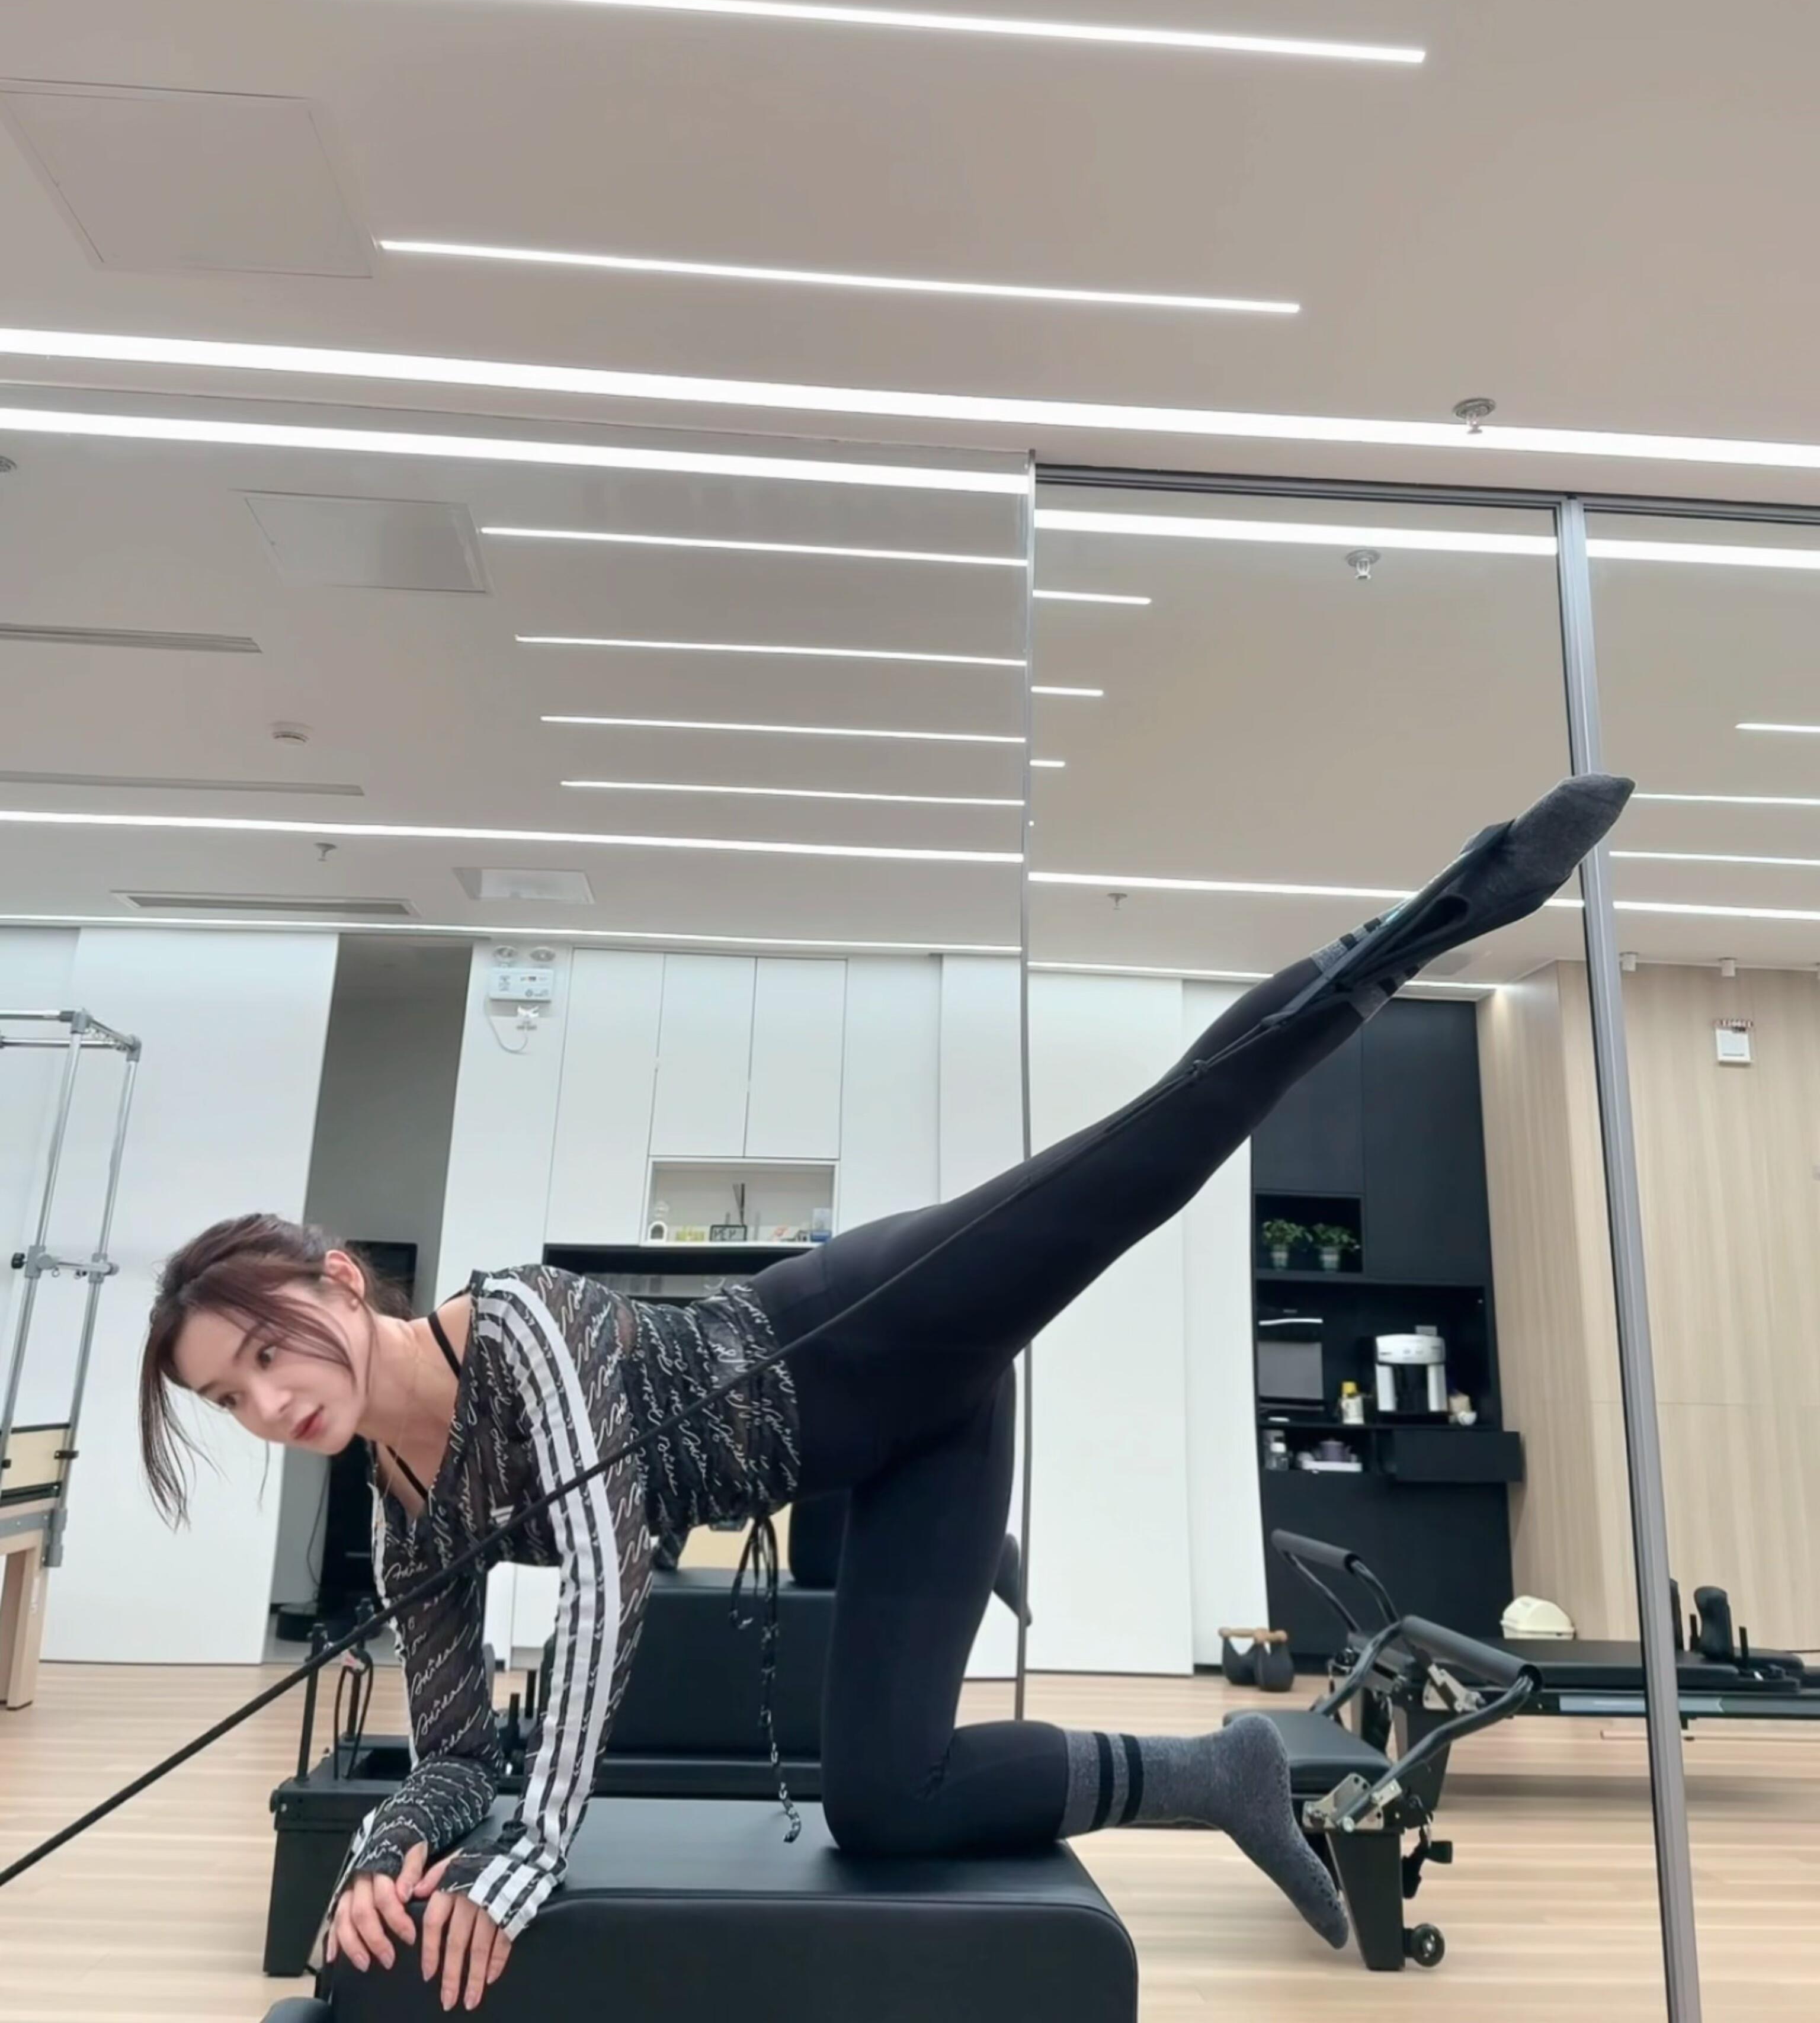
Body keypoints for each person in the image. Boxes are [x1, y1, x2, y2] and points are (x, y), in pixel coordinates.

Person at [138, 775, 1631, 2014]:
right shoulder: (408, 1520)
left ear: (341, 1280)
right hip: (888, 1460)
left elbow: (603, 1581)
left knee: (1132, 1163)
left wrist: (531, 1853)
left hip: (865, 1335)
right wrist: (385, 1853)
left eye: (264, 1349)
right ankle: (1219, 1770)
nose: (266, 1402)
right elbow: (460, 1748)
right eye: (227, 1397)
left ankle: (1434, 918)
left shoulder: (517, 1325)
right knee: (886, 1800)